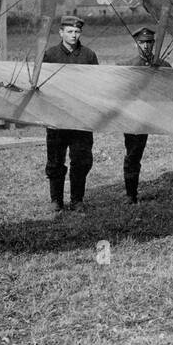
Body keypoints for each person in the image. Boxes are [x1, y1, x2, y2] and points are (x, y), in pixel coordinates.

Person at [42, 14, 100, 212]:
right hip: (57, 117)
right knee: (55, 160)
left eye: (77, 31)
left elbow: (96, 86)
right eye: (69, 31)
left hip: (81, 118)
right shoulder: (50, 55)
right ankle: (56, 200)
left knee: (81, 160)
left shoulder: (89, 56)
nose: (74, 35)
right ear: (61, 33)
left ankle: (77, 200)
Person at [118, 27, 166, 204]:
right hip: (136, 116)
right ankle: (131, 194)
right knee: (133, 153)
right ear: (136, 43)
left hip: (158, 114)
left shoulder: (163, 65)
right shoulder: (128, 65)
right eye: (142, 42)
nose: (146, 46)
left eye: (149, 42)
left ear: (154, 44)